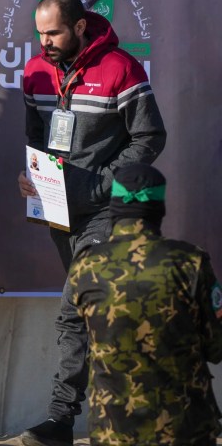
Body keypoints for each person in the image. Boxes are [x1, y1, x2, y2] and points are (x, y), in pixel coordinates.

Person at [17, 0, 166, 445]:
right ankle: (128, 418)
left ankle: (63, 421)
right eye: (39, 33)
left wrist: (100, 184)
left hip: (105, 213)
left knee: (73, 311)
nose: (44, 42)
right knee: (94, 314)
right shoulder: (35, 71)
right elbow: (36, 133)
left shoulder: (121, 68)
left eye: (54, 32)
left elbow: (150, 138)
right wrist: (34, 174)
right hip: (59, 213)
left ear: (81, 26)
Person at [69, 163, 222, 445]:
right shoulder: (190, 262)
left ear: (115, 206)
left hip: (111, 430)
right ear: (158, 209)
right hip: (183, 429)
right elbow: (216, 348)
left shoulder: (86, 266)